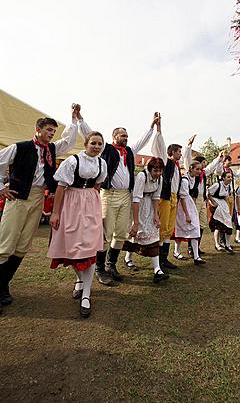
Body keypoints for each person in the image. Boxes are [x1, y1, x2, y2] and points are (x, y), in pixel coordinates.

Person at [0, 105, 82, 310]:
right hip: (18, 197)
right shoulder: (20, 147)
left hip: (37, 197)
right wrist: (1, 187)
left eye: (53, 131)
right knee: (6, 244)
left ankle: (3, 286)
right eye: (48, 130)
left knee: (23, 245)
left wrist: (73, 120)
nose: (51, 134)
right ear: (38, 129)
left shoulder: (51, 149)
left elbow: (69, 141)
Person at [78, 109, 159, 284]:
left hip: (125, 196)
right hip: (108, 195)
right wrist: (80, 119)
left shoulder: (129, 151)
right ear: (114, 136)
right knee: (106, 232)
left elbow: (142, 141)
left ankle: (111, 265)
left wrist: (151, 127)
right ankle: (100, 269)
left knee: (121, 233)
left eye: (127, 136)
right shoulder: (105, 148)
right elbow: (89, 134)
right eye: (122, 135)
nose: (126, 138)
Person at [48, 131, 107, 318]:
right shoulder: (72, 161)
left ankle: (86, 296)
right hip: (71, 203)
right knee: (72, 247)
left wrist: (90, 200)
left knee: (89, 248)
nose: (97, 147)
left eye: (100, 144)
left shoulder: (101, 163)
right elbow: (60, 187)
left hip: (90, 203)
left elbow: (97, 185)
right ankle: (79, 281)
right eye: (93, 143)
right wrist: (56, 212)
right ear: (86, 143)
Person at [122, 157, 169, 283]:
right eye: (155, 170)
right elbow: (136, 198)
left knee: (153, 235)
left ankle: (157, 270)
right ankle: (128, 258)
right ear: (150, 169)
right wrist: (136, 221)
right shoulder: (142, 177)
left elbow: (156, 197)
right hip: (138, 206)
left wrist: (156, 215)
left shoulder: (160, 179)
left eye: (160, 171)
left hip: (149, 207)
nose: (158, 173)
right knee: (135, 233)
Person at [183, 136, 223, 257]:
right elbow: (187, 160)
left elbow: (211, 167)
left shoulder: (203, 174)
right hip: (193, 199)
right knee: (193, 223)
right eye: (203, 163)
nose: (204, 166)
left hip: (202, 199)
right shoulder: (191, 172)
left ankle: (197, 247)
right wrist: (188, 146)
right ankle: (190, 248)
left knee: (202, 223)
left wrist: (218, 158)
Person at [151, 116, 182, 271]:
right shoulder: (166, 161)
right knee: (163, 228)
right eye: (179, 152)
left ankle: (164, 258)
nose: (181, 154)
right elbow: (160, 147)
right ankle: (160, 261)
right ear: (172, 152)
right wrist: (159, 129)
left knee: (169, 228)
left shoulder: (177, 166)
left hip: (174, 197)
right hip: (165, 197)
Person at [173, 161, 206, 265]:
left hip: (190, 204)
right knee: (180, 229)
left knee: (195, 229)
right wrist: (187, 214)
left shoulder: (194, 179)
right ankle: (176, 251)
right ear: (191, 168)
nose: (199, 171)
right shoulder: (185, 180)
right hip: (183, 207)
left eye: (200, 170)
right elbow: (182, 198)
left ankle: (196, 256)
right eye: (197, 169)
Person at [207, 171, 234, 254]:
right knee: (218, 225)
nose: (230, 179)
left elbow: (226, 196)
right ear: (223, 178)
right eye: (228, 177)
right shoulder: (217, 185)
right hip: (216, 205)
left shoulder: (229, 186)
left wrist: (227, 207)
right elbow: (208, 193)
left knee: (228, 224)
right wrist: (212, 202)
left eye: (231, 177)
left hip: (223, 205)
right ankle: (217, 244)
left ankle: (228, 244)